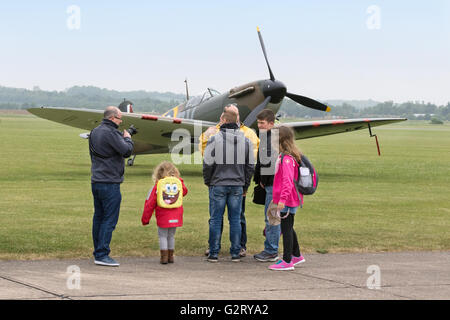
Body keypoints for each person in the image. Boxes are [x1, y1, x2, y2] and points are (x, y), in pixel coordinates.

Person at [199, 104, 259, 257]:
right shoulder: (246, 141)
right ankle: (235, 252)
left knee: (215, 220)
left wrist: (208, 181)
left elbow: (207, 164)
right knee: (235, 220)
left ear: (223, 120)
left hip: (218, 183)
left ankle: (213, 252)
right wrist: (245, 185)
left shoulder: (214, 140)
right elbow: (250, 166)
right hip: (237, 185)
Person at [90, 106, 134, 267]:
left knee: (99, 217)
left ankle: (97, 251)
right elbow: (127, 151)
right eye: (120, 118)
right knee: (109, 219)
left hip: (96, 180)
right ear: (113, 118)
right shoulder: (111, 132)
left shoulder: (94, 131)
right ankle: (102, 254)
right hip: (110, 182)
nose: (121, 121)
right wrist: (128, 138)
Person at [268, 125, 306, 271]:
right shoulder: (286, 156)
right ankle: (296, 255)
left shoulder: (287, 159)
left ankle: (287, 260)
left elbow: (287, 181)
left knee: (286, 229)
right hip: (287, 199)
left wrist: (282, 200)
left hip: (288, 200)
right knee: (289, 227)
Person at [141, 161, 188, 264]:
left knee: (162, 236)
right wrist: (179, 180)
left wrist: (145, 219)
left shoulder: (158, 186)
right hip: (176, 216)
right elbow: (185, 191)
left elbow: (150, 203)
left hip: (163, 216)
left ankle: (164, 258)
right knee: (171, 236)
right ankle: (171, 257)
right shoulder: (178, 184)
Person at [253, 109, 281, 262]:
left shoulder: (274, 139)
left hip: (274, 185)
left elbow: (272, 163)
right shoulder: (265, 137)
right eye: (258, 123)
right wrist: (259, 180)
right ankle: (275, 248)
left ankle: (271, 251)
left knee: (272, 218)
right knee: (273, 217)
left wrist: (266, 180)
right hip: (268, 183)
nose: (259, 126)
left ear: (271, 123)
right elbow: (261, 161)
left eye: (262, 123)